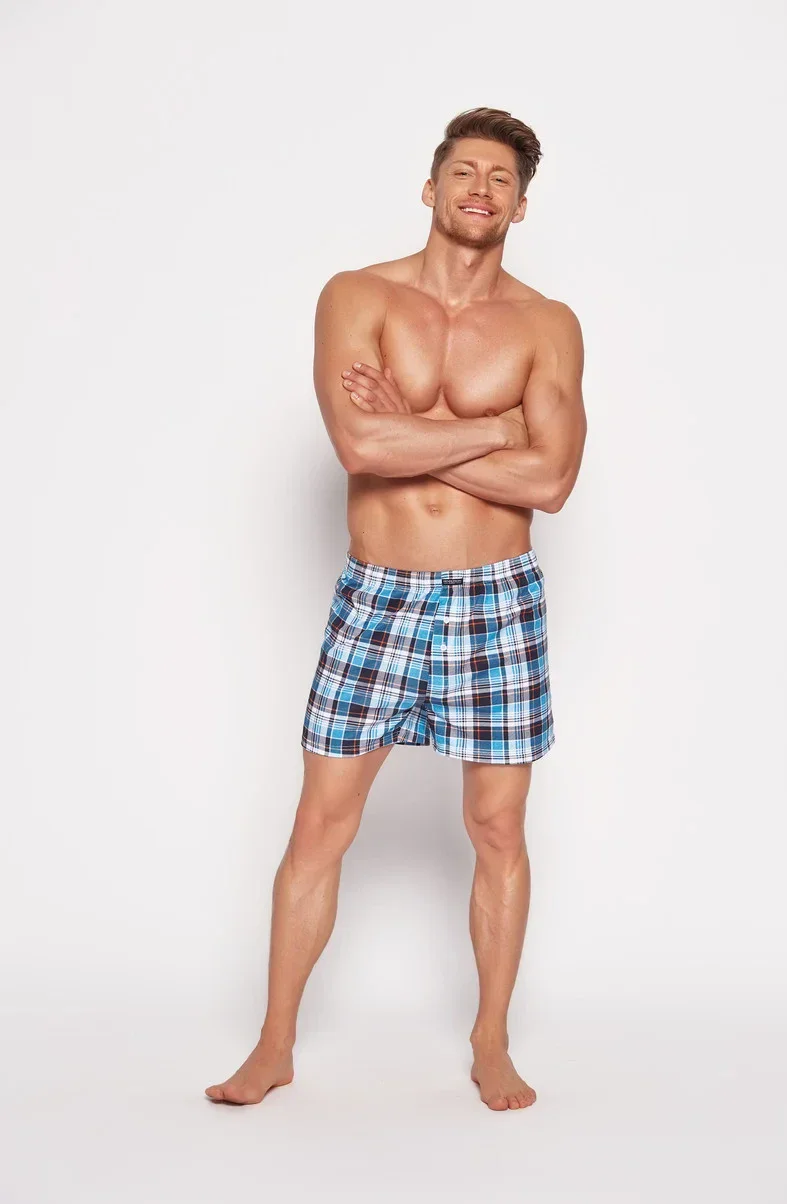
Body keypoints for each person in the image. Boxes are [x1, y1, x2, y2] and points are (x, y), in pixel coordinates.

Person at [205, 106, 587, 1112]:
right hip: (379, 592)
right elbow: (362, 447)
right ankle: (274, 1043)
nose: (480, 189)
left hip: (498, 599)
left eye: (501, 179)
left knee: (497, 829)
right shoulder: (357, 296)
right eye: (465, 171)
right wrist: (494, 429)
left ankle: (491, 1039)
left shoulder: (548, 325)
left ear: (520, 206)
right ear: (430, 187)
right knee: (320, 825)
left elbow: (553, 482)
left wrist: (414, 430)